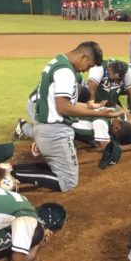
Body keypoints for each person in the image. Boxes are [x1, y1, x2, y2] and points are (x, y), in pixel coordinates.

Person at [8, 42, 103, 192]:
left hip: (46, 125)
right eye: (89, 65)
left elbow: (63, 102)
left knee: (58, 168)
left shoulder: (58, 61)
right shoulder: (65, 71)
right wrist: (99, 113)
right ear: (83, 57)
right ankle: (12, 175)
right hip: (55, 130)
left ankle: (11, 170)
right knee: (68, 182)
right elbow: (63, 107)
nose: (86, 70)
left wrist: (91, 107)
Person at [87, 59, 131, 124]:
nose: (116, 82)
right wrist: (93, 108)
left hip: (111, 102)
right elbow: (91, 91)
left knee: (123, 121)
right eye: (114, 79)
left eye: (119, 80)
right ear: (109, 70)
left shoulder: (126, 70)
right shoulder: (98, 68)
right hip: (95, 99)